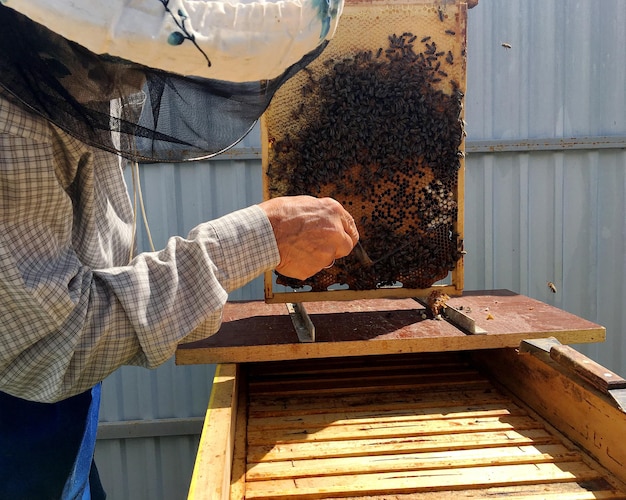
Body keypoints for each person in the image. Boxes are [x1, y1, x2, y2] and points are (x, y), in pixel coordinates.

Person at [0, 1, 356, 498]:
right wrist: (259, 238)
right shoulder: (9, 119)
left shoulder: (58, 45)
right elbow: (48, 343)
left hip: (56, 409)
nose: (135, 84)